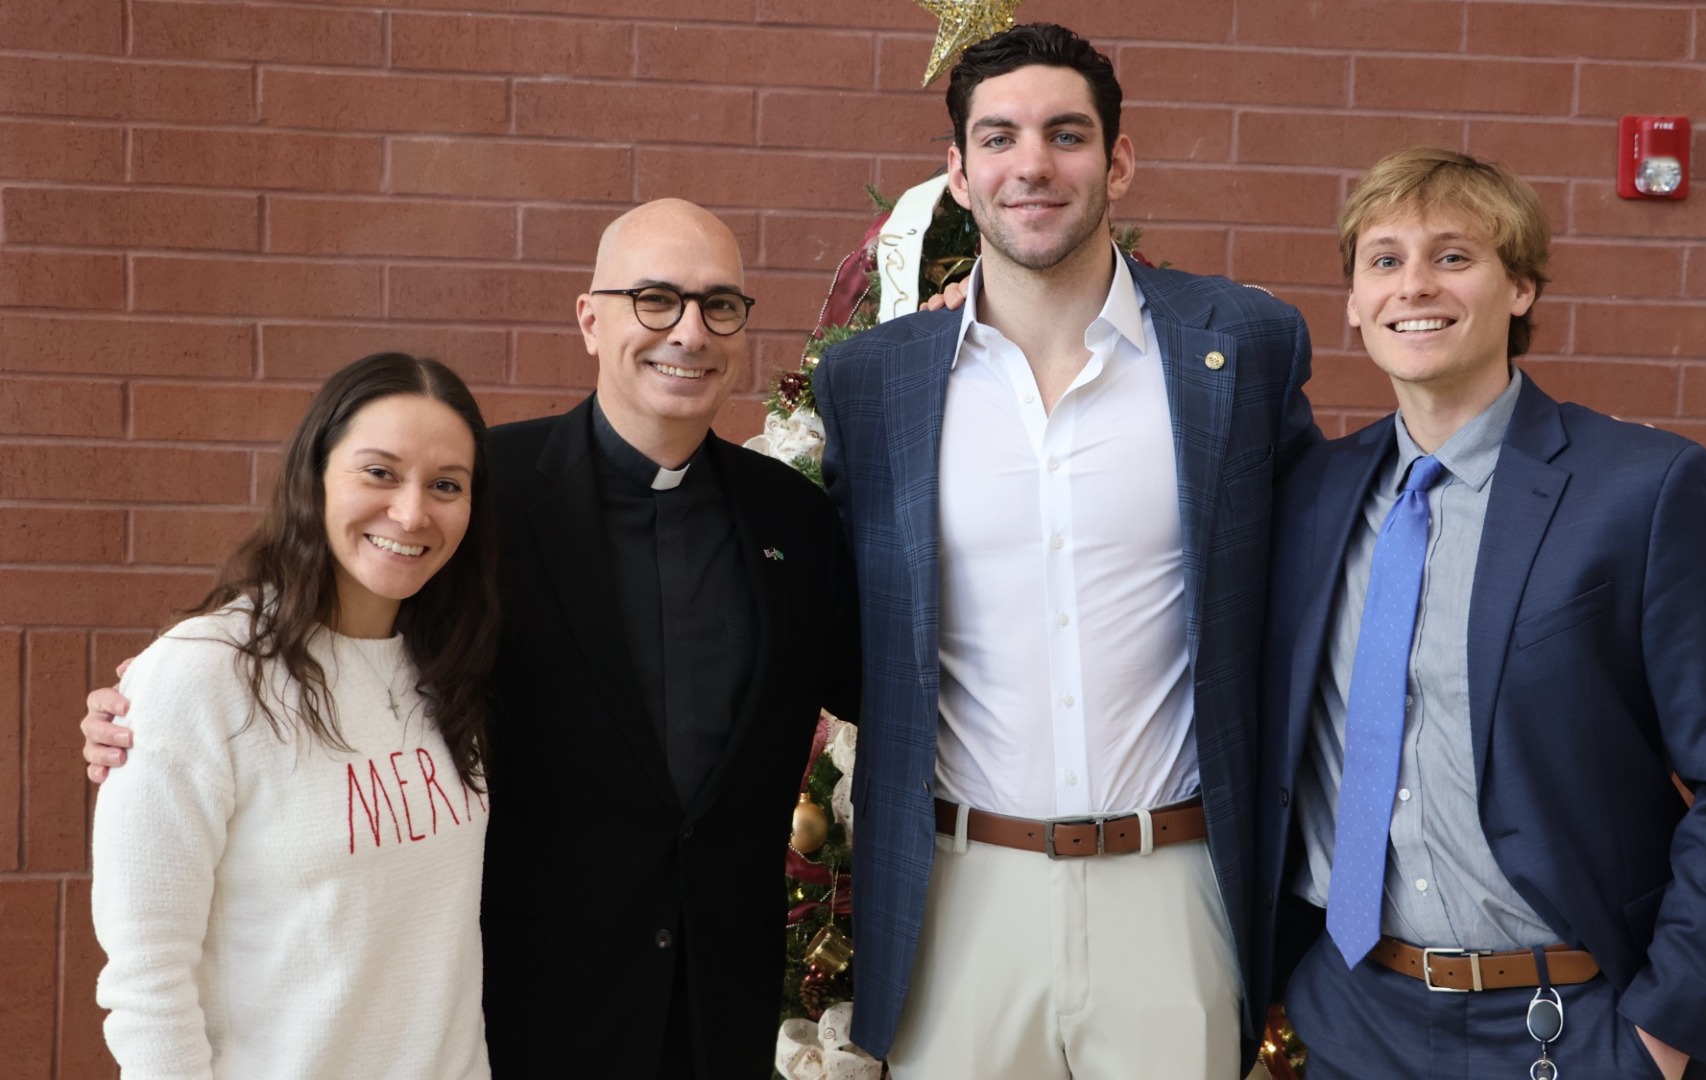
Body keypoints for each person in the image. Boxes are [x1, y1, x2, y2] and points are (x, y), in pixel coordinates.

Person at [84, 200, 861, 1079]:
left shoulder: (792, 518)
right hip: (522, 1015)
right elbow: (334, 613)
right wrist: (147, 705)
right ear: (590, 319)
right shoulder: (481, 495)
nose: (689, 331)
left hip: (718, 1015)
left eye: (720, 306)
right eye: (654, 299)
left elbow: (880, 687)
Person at [812, 23, 1317, 1078]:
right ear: (957, 174)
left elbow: (1306, 587)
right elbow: (857, 627)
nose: (1031, 164)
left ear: (1117, 161)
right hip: (958, 895)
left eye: (1066, 135)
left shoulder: (1241, 347)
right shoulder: (875, 382)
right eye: (997, 138)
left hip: (1172, 888)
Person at [1253, 147, 1706, 1079]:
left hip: (1574, 1020)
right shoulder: (1310, 497)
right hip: (1350, 1020)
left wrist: (1659, 1038)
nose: (1414, 285)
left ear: (1521, 288)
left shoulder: (1645, 490)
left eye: (1454, 256)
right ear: (1351, 303)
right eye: (1384, 260)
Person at [90, 352, 498, 1079]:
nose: (411, 511)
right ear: (314, 473)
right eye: (379, 472)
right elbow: (147, 980)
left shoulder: (448, 669)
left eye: (446, 485)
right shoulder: (204, 675)